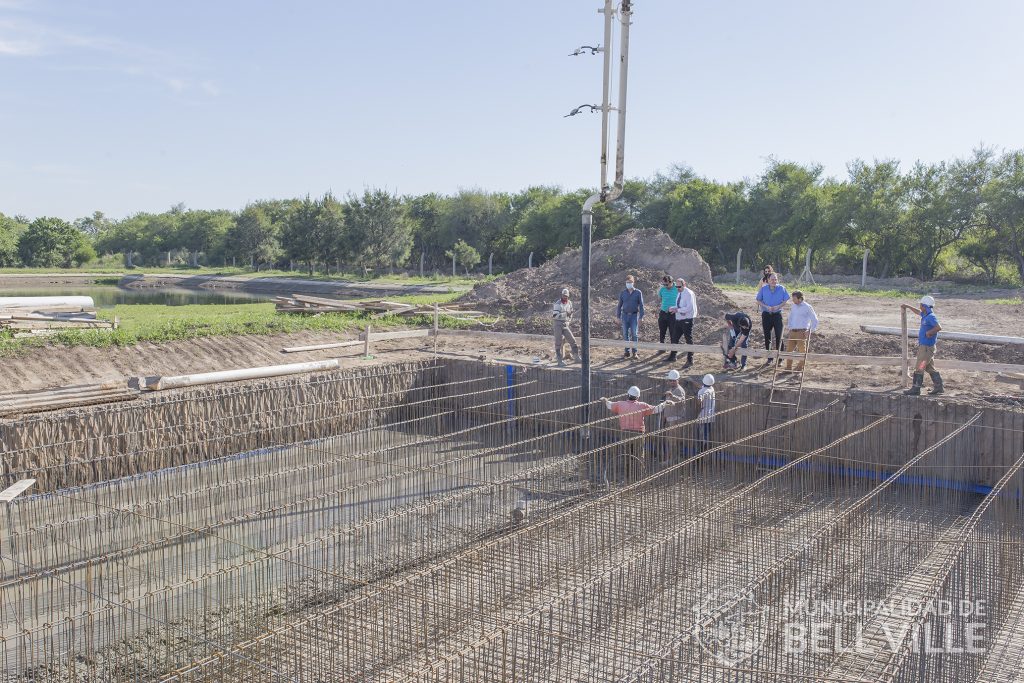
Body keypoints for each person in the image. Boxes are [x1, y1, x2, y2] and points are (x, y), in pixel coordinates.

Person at [902, 295, 943, 395]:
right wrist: (907, 306)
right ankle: (939, 387)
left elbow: (938, 327)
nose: (919, 306)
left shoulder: (931, 317)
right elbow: (917, 312)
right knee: (929, 368)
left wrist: (929, 332)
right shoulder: (925, 314)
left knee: (920, 367)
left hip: (926, 348)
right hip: (926, 348)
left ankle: (916, 388)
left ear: (924, 306)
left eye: (920, 304)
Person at [756, 272, 790, 364]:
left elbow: (786, 299)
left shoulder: (781, 288)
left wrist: (779, 306)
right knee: (767, 336)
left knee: (779, 336)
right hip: (766, 314)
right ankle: (770, 358)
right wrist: (766, 306)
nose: (774, 281)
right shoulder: (763, 289)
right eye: (772, 279)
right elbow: (758, 300)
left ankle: (780, 359)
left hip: (777, 315)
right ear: (768, 280)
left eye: (775, 279)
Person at [783, 290, 818, 372]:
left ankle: (800, 367)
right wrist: (789, 327)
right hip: (792, 332)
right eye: (793, 298)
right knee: (789, 350)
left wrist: (809, 331)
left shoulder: (807, 307)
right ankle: (788, 367)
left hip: (801, 332)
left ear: (800, 298)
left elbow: (815, 320)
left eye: (794, 298)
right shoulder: (793, 306)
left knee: (802, 351)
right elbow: (791, 317)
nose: (793, 300)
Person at [668, 276, 697, 366]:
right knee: (674, 337)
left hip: (687, 319)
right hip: (679, 319)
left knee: (688, 339)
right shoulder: (680, 293)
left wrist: (677, 310)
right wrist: (673, 308)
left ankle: (690, 359)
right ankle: (673, 356)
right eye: (676, 287)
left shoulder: (688, 293)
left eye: (679, 286)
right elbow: (680, 305)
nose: (677, 288)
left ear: (684, 285)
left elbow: (689, 308)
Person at [660, 369, 687, 460]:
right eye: (670, 380)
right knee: (670, 440)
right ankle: (673, 458)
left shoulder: (679, 390)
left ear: (678, 380)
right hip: (670, 419)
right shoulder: (671, 389)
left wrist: (672, 396)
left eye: (673, 380)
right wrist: (664, 417)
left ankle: (672, 459)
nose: (671, 382)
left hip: (675, 419)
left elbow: (681, 400)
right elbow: (667, 405)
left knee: (673, 441)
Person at [616, 274, 645, 359]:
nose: (628, 284)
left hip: (634, 316)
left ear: (633, 282)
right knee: (625, 334)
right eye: (627, 282)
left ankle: (635, 352)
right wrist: (618, 317)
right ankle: (627, 352)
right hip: (624, 315)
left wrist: (641, 317)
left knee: (634, 334)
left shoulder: (638, 293)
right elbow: (619, 305)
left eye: (630, 282)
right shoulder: (623, 293)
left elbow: (641, 305)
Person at [551, 288, 580, 367]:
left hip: (565, 323)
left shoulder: (569, 303)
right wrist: (565, 314)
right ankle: (559, 360)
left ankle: (576, 357)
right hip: (558, 323)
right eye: (564, 296)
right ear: (561, 295)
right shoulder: (558, 304)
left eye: (566, 296)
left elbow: (571, 313)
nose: (565, 297)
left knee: (572, 339)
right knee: (558, 342)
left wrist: (568, 321)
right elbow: (555, 316)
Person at [656, 276, 677, 351]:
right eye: (664, 284)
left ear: (671, 282)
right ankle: (662, 348)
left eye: (667, 284)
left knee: (673, 332)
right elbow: (660, 298)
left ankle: (673, 350)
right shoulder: (662, 289)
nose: (665, 286)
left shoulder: (677, 288)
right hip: (663, 313)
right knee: (662, 332)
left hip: (673, 314)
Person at [696, 374, 716, 451]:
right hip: (711, 416)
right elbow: (704, 389)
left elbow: (701, 398)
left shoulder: (702, 391)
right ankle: (706, 447)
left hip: (703, 416)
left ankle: (701, 450)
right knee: (707, 434)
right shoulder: (712, 389)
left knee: (700, 435)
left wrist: (699, 399)